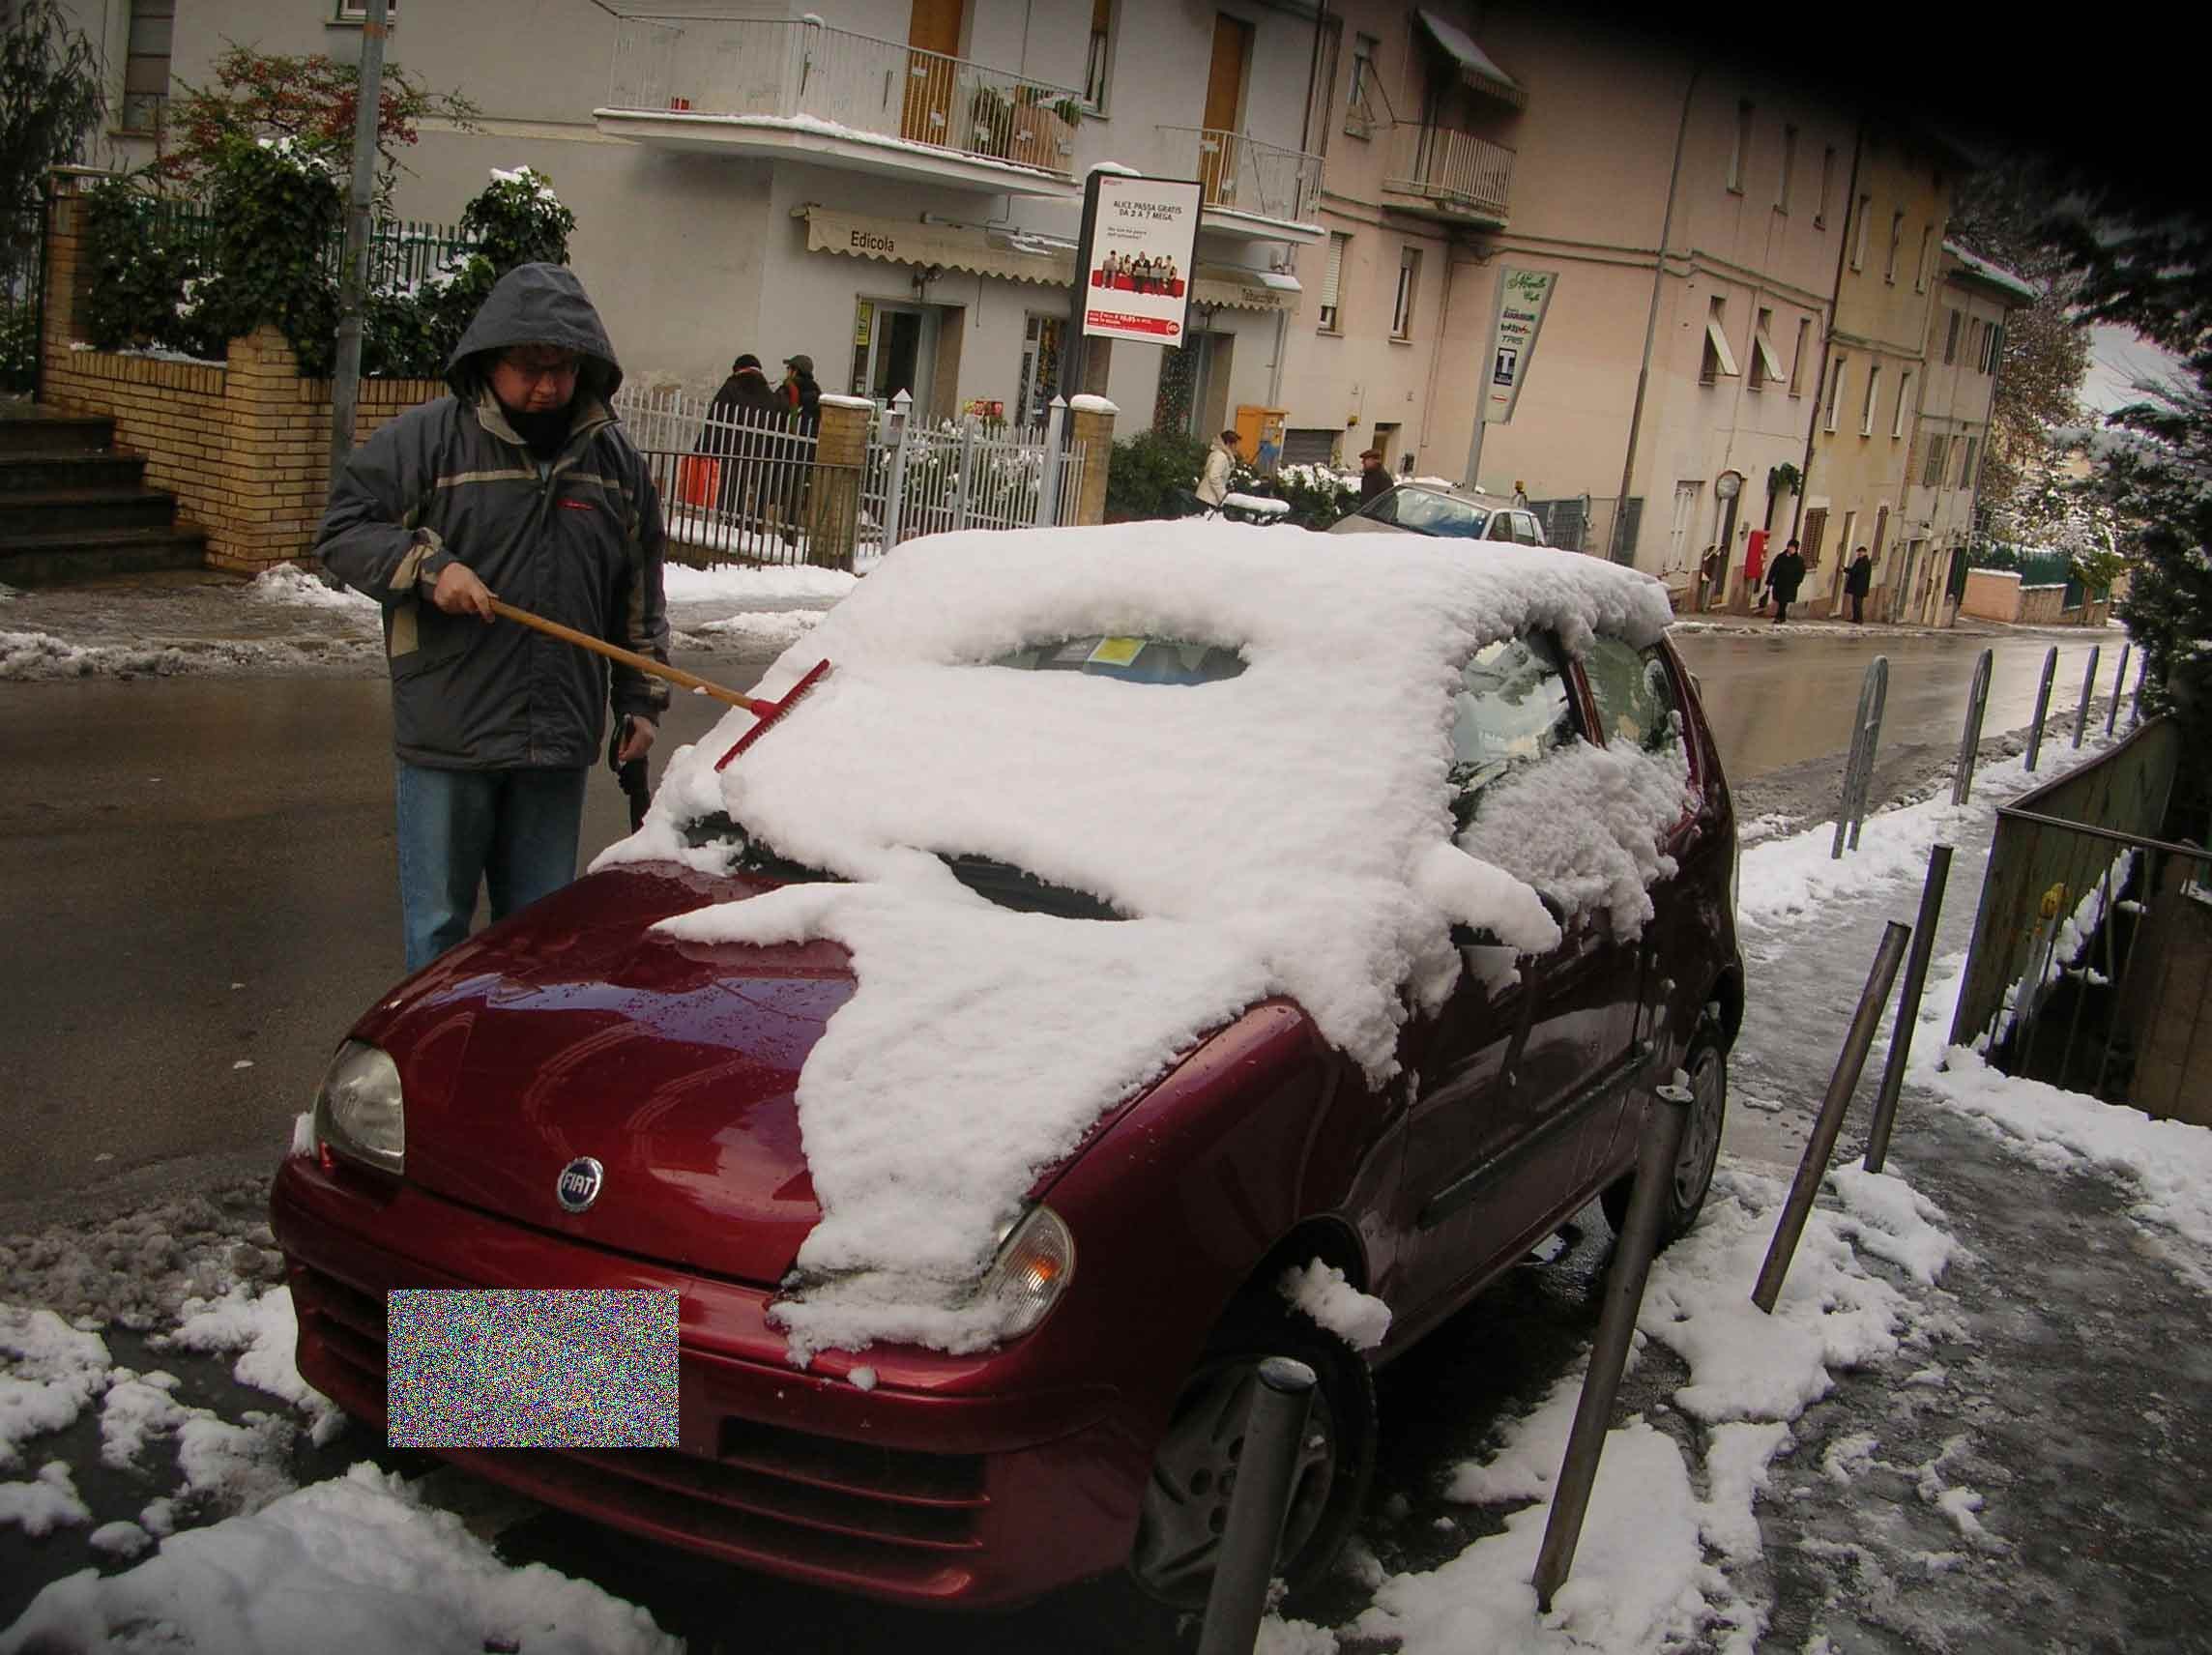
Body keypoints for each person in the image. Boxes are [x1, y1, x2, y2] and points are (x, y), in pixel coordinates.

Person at [316, 262, 672, 973]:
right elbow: (343, 531)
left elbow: (637, 587)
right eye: (529, 367)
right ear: (489, 361)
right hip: (452, 728)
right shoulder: (426, 441)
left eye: (563, 368)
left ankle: (517, 1072)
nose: (546, 385)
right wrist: (428, 568)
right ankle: (431, 1072)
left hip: (557, 734)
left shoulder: (613, 463)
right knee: (440, 934)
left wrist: (638, 697)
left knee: (538, 935)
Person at [705, 352, 784, 523]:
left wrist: (704, 447)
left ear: (738, 369)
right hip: (756, 454)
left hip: (730, 450)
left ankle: (725, 523)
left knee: (727, 490)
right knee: (743, 489)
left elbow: (715, 419)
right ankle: (737, 523)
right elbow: (773, 428)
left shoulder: (732, 387)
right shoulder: (769, 395)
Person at [1196, 427, 1241, 510]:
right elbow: (1214, 477)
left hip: (1207, 498)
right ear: (1228, 443)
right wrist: (1222, 496)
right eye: (1236, 444)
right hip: (1208, 500)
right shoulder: (1221, 456)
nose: (1237, 448)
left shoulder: (1222, 455)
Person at [1765, 537, 1807, 624]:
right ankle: (1782, 617)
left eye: (1793, 548)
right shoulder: (1780, 557)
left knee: (1783, 601)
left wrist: (1797, 582)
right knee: (1780, 600)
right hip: (1779, 583)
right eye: (1790, 547)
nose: (1791, 549)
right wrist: (1769, 580)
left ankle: (1779, 617)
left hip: (1790, 585)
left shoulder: (1799, 560)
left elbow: (1801, 572)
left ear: (1796, 549)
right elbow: (1773, 568)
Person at [1844, 545, 1874, 624]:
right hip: (1858, 586)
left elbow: (1856, 571)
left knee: (1857, 603)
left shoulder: (1864, 562)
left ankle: (1859, 619)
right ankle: (1855, 618)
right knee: (1855, 603)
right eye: (1858, 552)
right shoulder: (1861, 560)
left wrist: (1844, 569)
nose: (1859, 554)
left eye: (1860, 552)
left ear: (1864, 552)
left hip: (1860, 587)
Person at [1697, 543, 1723, 612]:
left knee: (1709, 592)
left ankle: (1706, 606)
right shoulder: (1708, 556)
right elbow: (1705, 560)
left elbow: (1715, 564)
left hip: (1711, 576)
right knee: (1705, 591)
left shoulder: (1715, 556)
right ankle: (1704, 606)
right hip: (1706, 575)